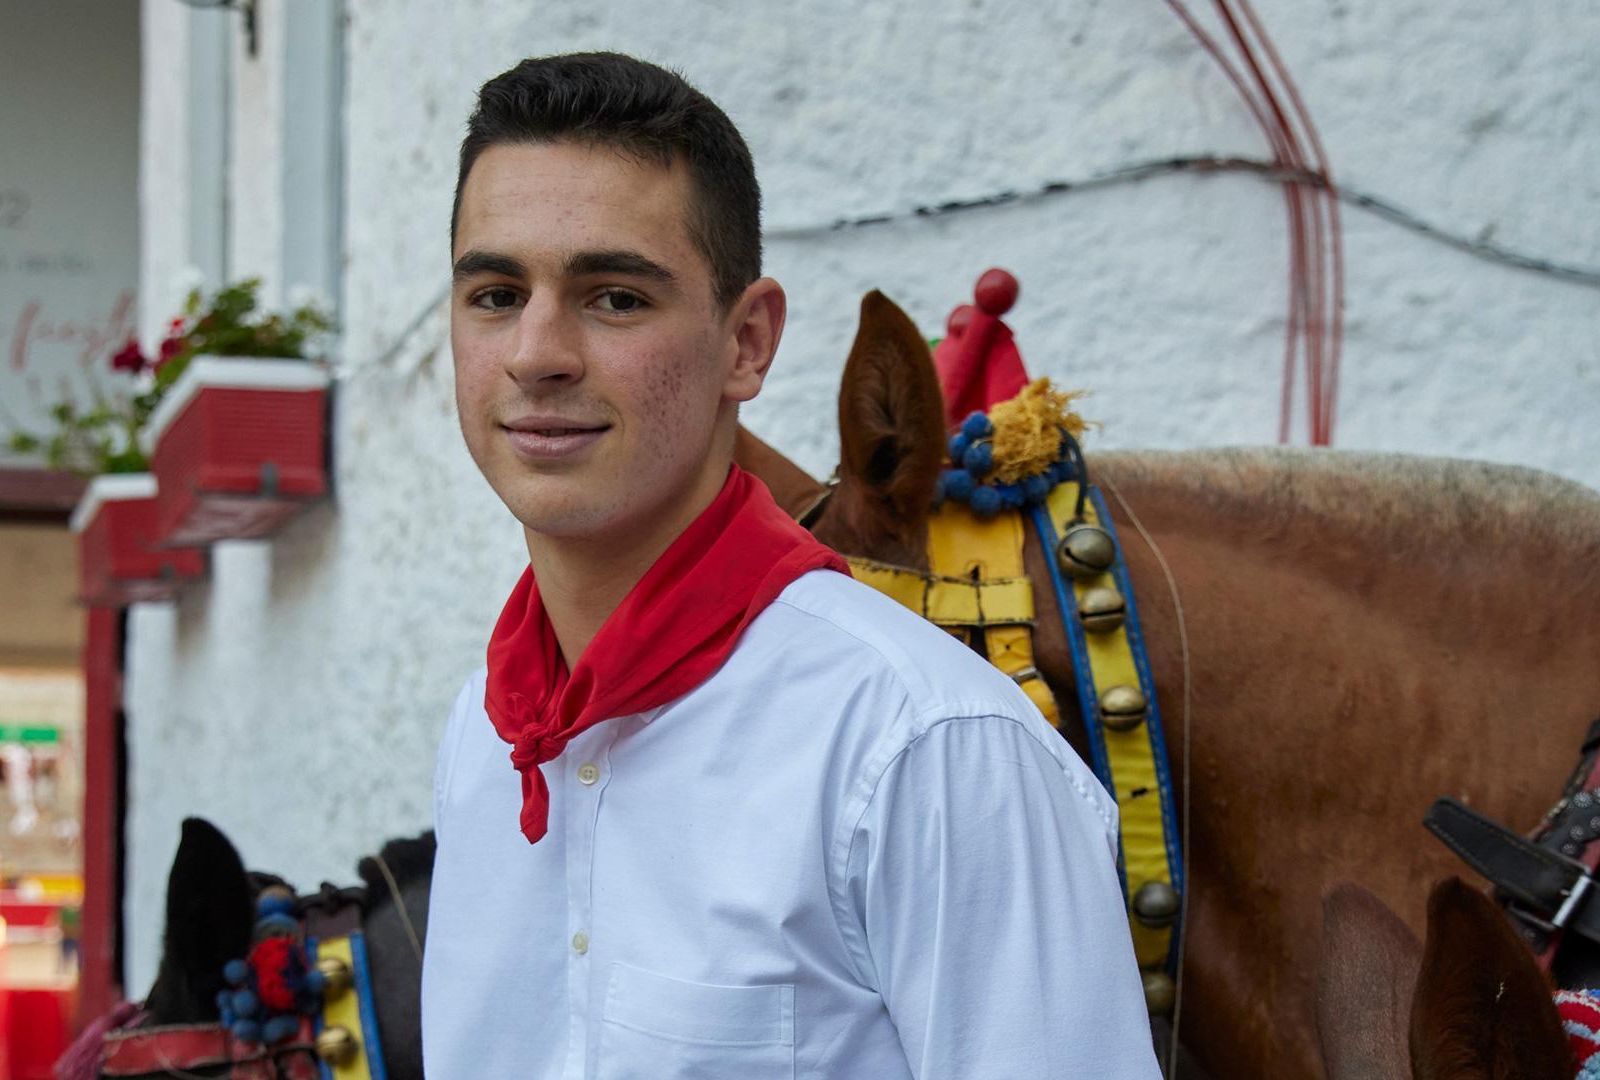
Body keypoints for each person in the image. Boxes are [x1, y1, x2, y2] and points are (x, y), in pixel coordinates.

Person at [421, 51, 1158, 1079]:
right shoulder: (479, 737)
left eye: (616, 298)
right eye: (496, 294)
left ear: (747, 343)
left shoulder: (926, 750)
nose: (537, 352)